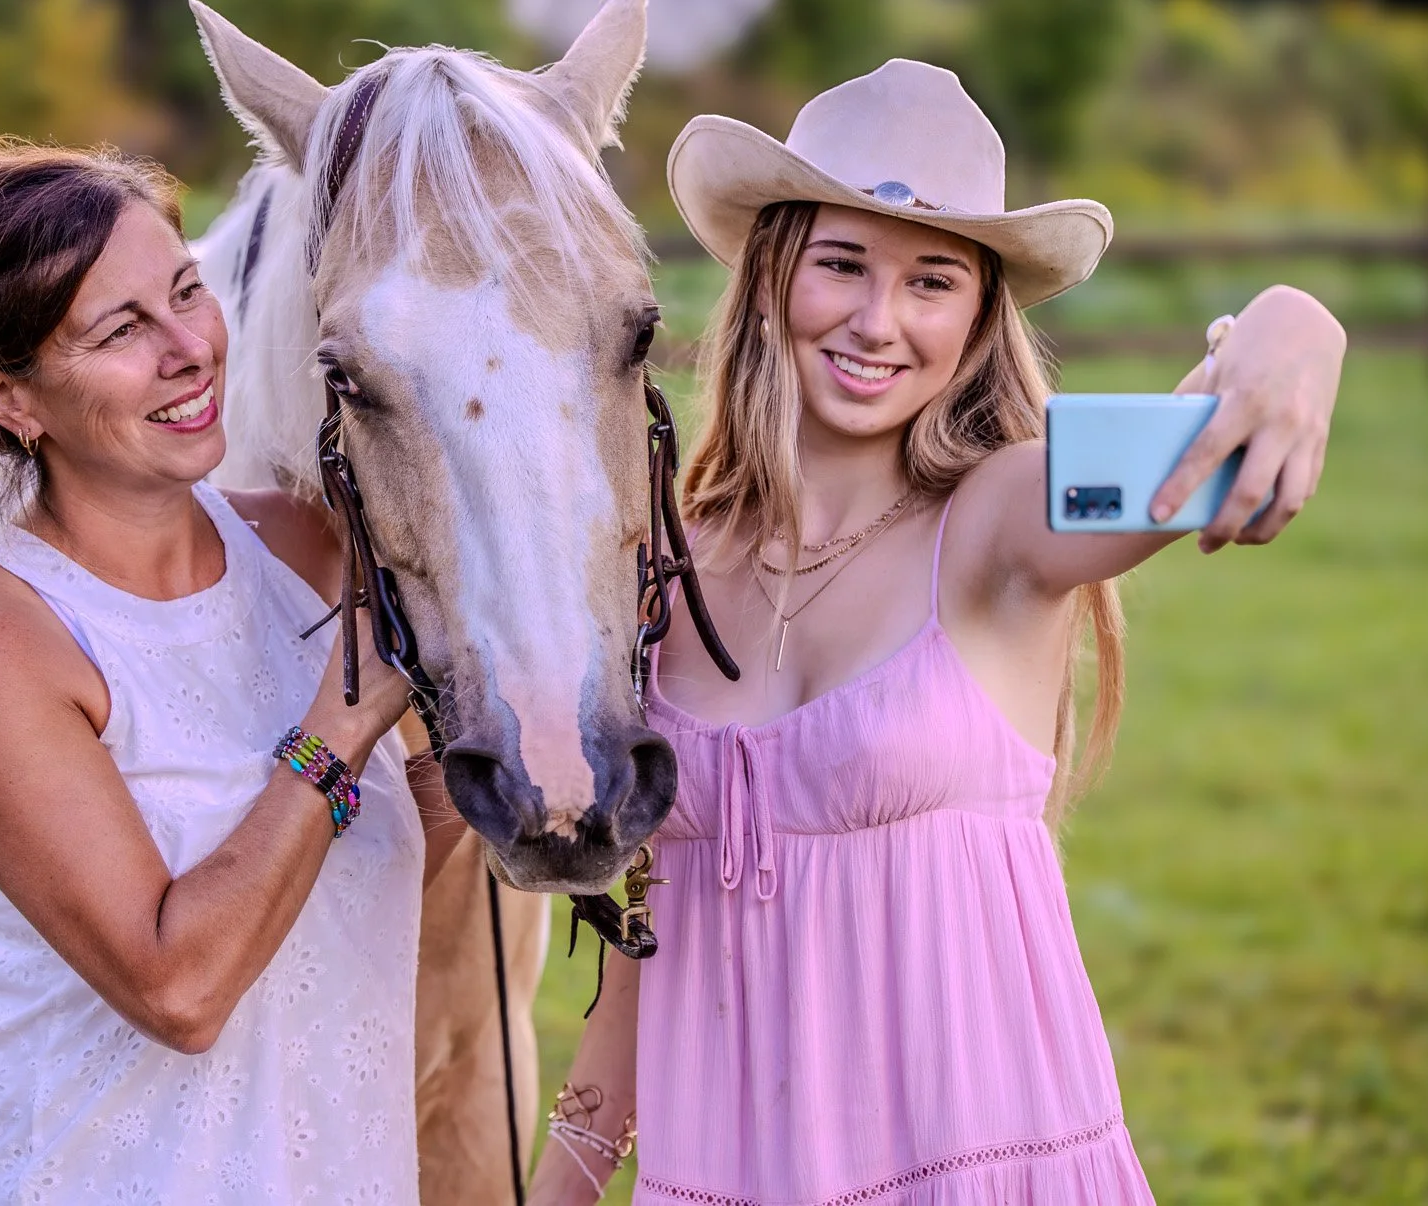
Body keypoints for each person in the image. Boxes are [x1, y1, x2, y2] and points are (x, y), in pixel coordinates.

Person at [527, 61, 1346, 1205]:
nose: (876, 321)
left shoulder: (1002, 520)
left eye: (930, 281)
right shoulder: (660, 568)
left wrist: (1292, 328)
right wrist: (557, 1184)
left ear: (974, 319)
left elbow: (1195, 460)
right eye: (841, 265)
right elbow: (639, 957)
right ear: (770, 278)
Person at [0, 138, 455, 1202]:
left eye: (187, 291)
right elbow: (178, 985)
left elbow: (347, 871)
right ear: (10, 399)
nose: (188, 347)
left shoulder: (308, 552)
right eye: (120, 329)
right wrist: (341, 720)